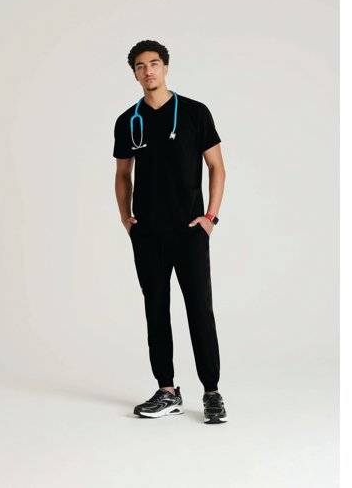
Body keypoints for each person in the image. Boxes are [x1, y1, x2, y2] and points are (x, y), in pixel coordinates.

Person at [113, 40, 227, 424]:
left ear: (165, 67)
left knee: (199, 309)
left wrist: (210, 217)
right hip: (148, 234)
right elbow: (123, 174)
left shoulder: (195, 113)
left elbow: (217, 166)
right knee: (156, 310)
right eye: (140, 66)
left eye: (154, 63)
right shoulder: (129, 121)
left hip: (190, 231)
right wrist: (127, 218)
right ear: (134, 73)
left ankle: (211, 392)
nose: (148, 71)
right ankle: (167, 390)